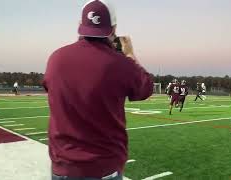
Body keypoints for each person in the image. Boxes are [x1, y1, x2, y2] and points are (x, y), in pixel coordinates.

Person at [42, 1, 153, 179]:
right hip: (104, 167)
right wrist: (130, 54)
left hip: (62, 166)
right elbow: (146, 88)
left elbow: (50, 87)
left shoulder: (56, 58)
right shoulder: (121, 64)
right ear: (113, 28)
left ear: (80, 25)